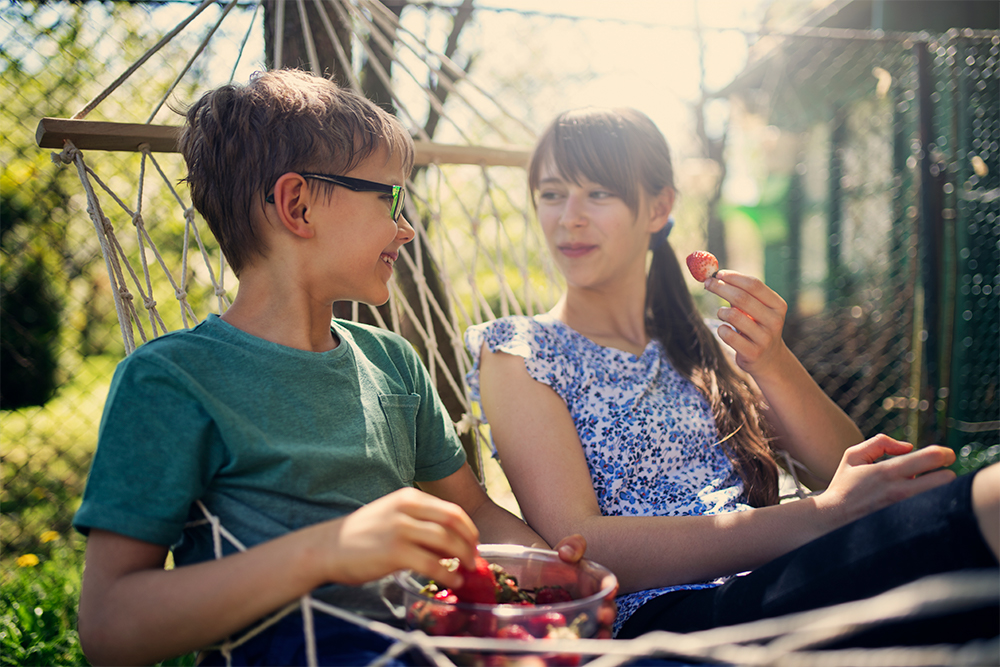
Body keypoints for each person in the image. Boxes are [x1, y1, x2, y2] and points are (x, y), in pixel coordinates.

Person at [72, 70, 597, 667]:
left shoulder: (391, 362)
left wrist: (549, 571)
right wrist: (325, 551)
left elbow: (473, 512)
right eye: (391, 197)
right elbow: (109, 627)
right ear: (297, 205)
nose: (406, 226)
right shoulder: (172, 382)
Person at [464, 107, 999, 647]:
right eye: (553, 194)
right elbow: (580, 543)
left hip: (784, 578)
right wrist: (819, 518)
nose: (569, 217)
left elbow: (837, 464)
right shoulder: (520, 350)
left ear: (659, 208)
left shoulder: (700, 341)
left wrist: (772, 361)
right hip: (670, 618)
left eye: (598, 194)